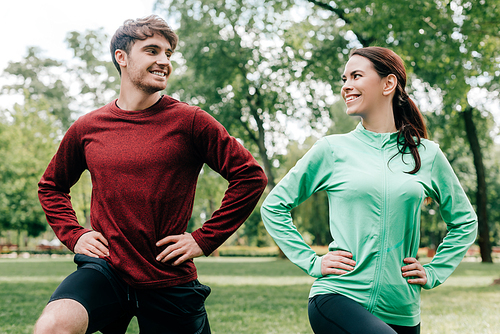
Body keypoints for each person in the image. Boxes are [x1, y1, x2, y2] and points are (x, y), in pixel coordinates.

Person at [34, 15, 267, 334]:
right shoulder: (88, 127)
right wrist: (75, 234)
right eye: (153, 51)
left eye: (169, 54)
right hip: (106, 270)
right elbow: (52, 186)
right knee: (53, 327)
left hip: (168, 276)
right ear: (122, 57)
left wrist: (203, 239)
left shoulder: (191, 122)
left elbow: (250, 177)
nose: (164, 61)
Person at [261, 46, 477, 334]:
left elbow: (465, 221)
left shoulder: (427, 155)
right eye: (344, 79)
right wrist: (312, 261)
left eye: (356, 76)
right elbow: (273, 207)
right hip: (339, 296)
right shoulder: (332, 150)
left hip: (403, 310)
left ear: (388, 84)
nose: (346, 86)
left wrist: (435, 271)